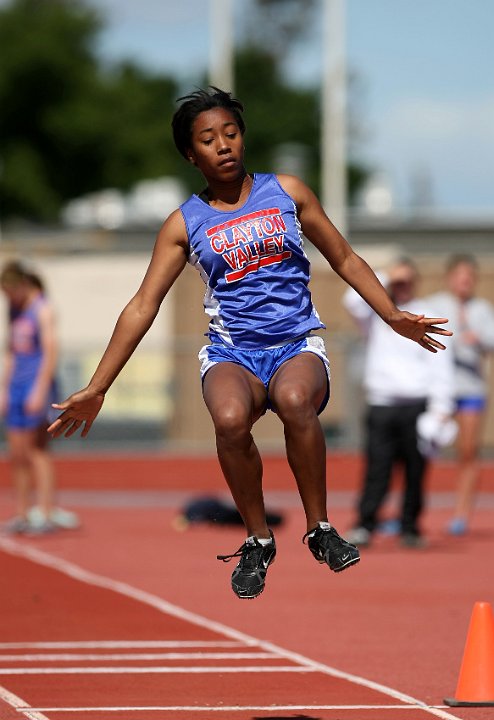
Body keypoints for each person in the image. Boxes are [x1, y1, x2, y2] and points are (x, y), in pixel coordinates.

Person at [48, 87, 451, 598]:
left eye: (231, 134)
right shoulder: (184, 223)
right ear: (191, 155)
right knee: (231, 420)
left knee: (294, 399)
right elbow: (143, 305)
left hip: (295, 343)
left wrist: (391, 315)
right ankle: (258, 538)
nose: (224, 145)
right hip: (231, 352)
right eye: (209, 139)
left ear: (244, 138)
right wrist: (98, 386)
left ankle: (320, 528)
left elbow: (345, 259)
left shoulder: (287, 192)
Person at [343, 258, 456, 549]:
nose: (402, 286)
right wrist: (384, 278)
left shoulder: (428, 314)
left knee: (415, 471)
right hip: (382, 404)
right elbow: (351, 299)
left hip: (417, 405)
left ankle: (410, 527)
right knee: (377, 469)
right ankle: (365, 525)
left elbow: (441, 363)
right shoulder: (378, 313)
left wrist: (441, 408)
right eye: (399, 281)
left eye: (407, 280)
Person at [0, 261, 79, 534]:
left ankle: (45, 512)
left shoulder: (42, 309)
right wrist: (4, 389)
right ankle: (22, 513)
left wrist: (39, 389)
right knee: (17, 453)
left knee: (37, 452)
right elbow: (11, 351)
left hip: (37, 386)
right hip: (16, 387)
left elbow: (50, 352)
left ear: (21, 285)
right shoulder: (14, 309)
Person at [428, 254, 494, 536]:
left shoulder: (481, 309)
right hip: (438, 391)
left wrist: (476, 337)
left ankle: (461, 514)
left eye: (470, 276)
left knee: (467, 453)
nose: (465, 281)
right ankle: (411, 510)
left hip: (470, 390)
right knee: (421, 450)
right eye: (460, 275)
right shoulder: (436, 304)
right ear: (450, 277)